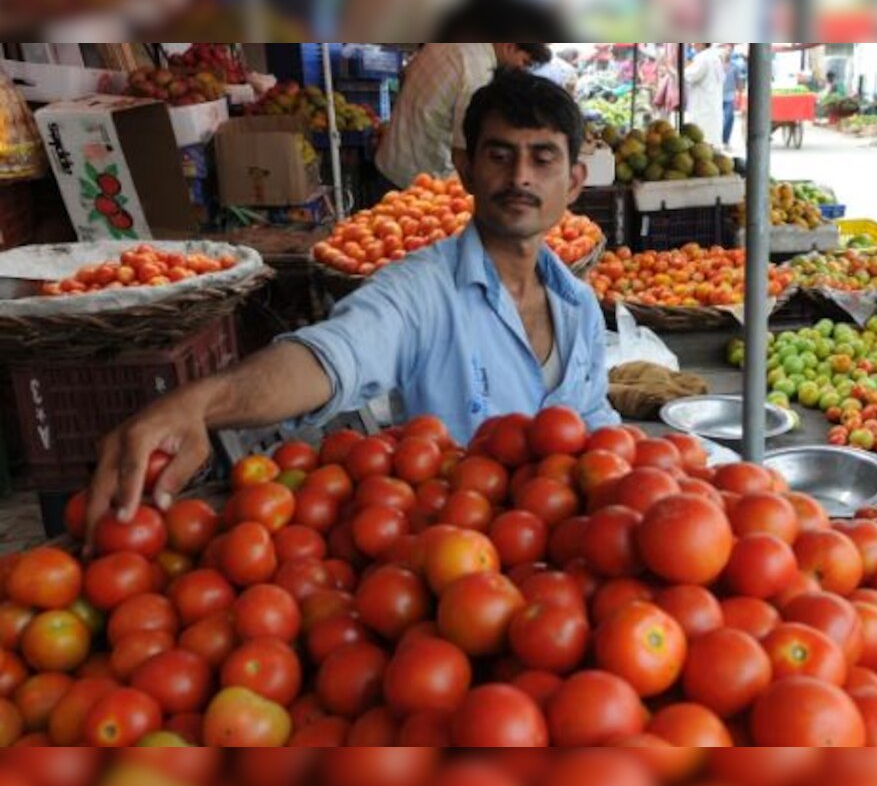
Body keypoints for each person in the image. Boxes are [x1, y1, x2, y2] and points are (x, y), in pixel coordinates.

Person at [86, 70, 619, 535]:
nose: (520, 176)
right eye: (500, 155)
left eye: (542, 158)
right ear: (466, 168)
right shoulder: (420, 291)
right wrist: (201, 404)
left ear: (573, 182)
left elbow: (596, 425)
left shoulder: (579, 307)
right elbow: (329, 357)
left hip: (562, 564)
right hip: (454, 555)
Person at [375, 43, 551, 189]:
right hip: (419, 182)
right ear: (510, 47)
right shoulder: (479, 71)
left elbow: (404, 75)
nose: (522, 70)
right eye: (525, 62)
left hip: (391, 161)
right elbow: (463, 151)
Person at [684, 43, 725, 147]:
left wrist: (674, 69)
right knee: (711, 140)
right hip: (712, 105)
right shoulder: (715, 58)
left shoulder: (703, 58)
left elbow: (689, 76)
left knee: (703, 141)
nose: (692, 44)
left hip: (703, 107)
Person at [721, 45, 745, 148]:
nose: (727, 53)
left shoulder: (735, 67)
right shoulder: (716, 65)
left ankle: (725, 140)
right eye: (725, 50)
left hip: (729, 96)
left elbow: (739, 82)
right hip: (716, 95)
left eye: (729, 51)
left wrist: (740, 93)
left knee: (728, 118)